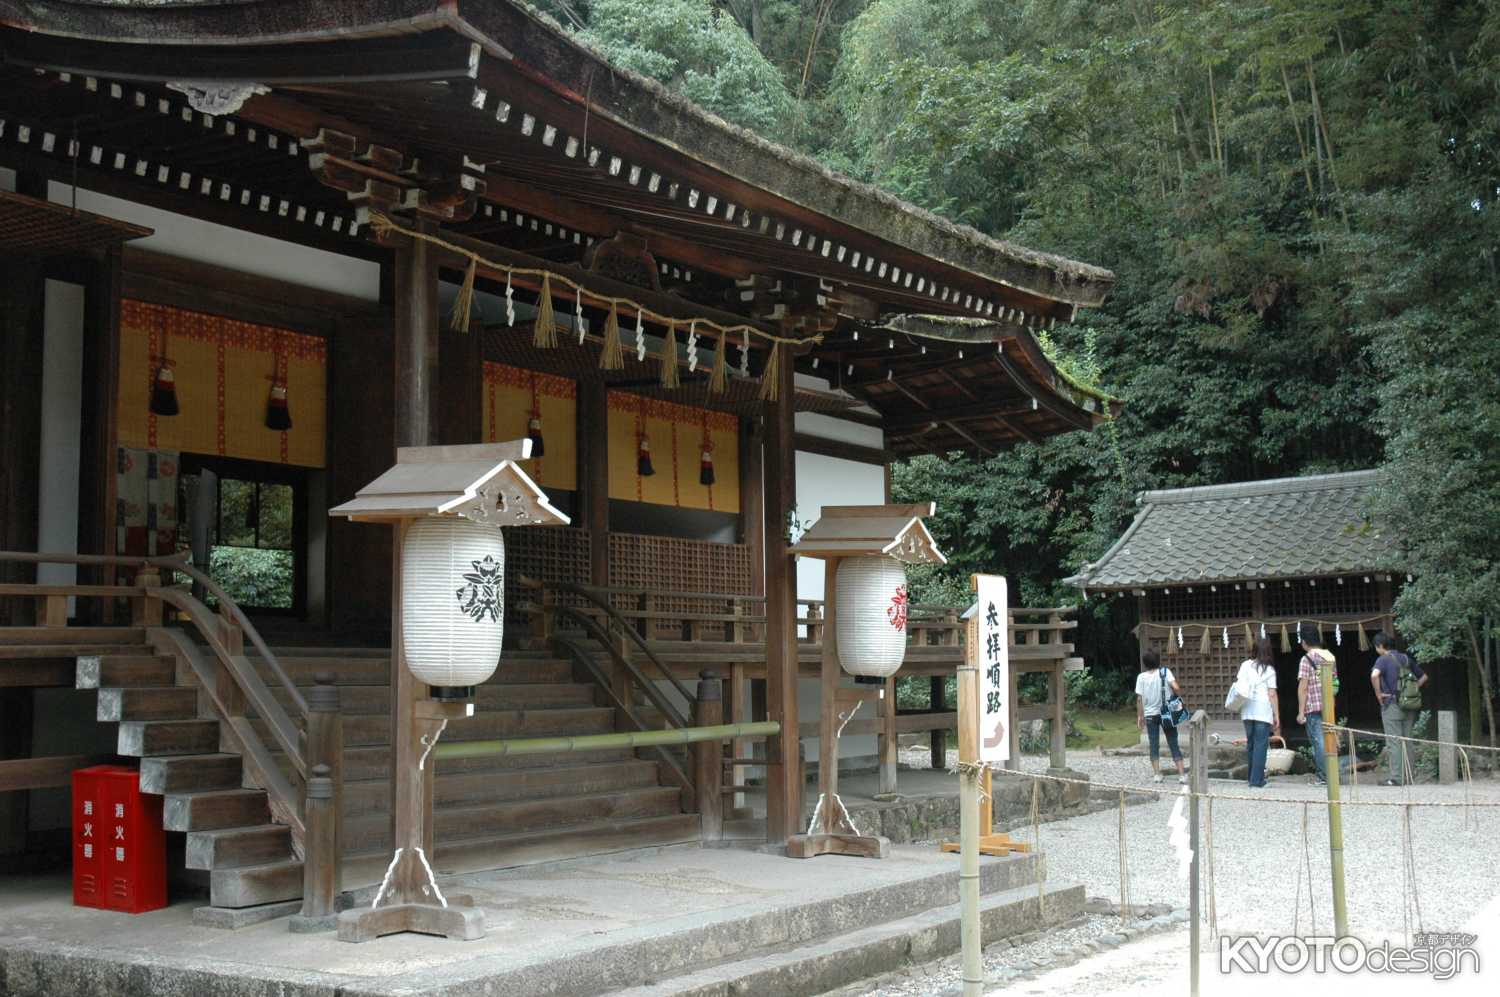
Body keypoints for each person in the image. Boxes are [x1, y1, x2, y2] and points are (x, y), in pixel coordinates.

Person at [1371, 631, 1426, 786]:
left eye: (1376, 647)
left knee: (1394, 741)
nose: (1376, 649)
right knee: (1407, 740)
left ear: (1381, 646)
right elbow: (1423, 677)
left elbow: (1374, 675)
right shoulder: (1406, 658)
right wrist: (1412, 691)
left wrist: (1378, 694)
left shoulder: (1383, 659)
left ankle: (1396, 778)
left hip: (1392, 704)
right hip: (1409, 704)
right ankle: (1409, 776)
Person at [1135, 650, 1187, 784]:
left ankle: (1157, 775)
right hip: (1167, 714)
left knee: (1154, 744)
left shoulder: (1141, 677)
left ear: (1145, 663)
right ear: (1158, 661)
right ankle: (1182, 775)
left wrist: (1140, 717)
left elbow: (1139, 699)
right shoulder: (1165, 672)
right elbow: (1175, 687)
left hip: (1150, 714)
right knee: (1173, 742)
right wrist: (1177, 696)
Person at [1236, 637, 1281, 787]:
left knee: (1251, 744)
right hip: (1263, 710)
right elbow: (1272, 694)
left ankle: (1251, 778)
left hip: (1247, 709)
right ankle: (1257, 780)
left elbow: (1239, 685)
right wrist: (1277, 715)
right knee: (1261, 745)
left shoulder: (1245, 665)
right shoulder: (1269, 670)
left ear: (1254, 650)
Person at [1297, 631, 1336, 784]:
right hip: (1328, 704)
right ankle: (1332, 774)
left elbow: (1303, 687)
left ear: (1305, 642)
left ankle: (1324, 777)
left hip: (1313, 705)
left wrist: (1301, 711)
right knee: (1328, 738)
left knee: (1318, 741)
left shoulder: (1306, 659)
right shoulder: (1330, 656)